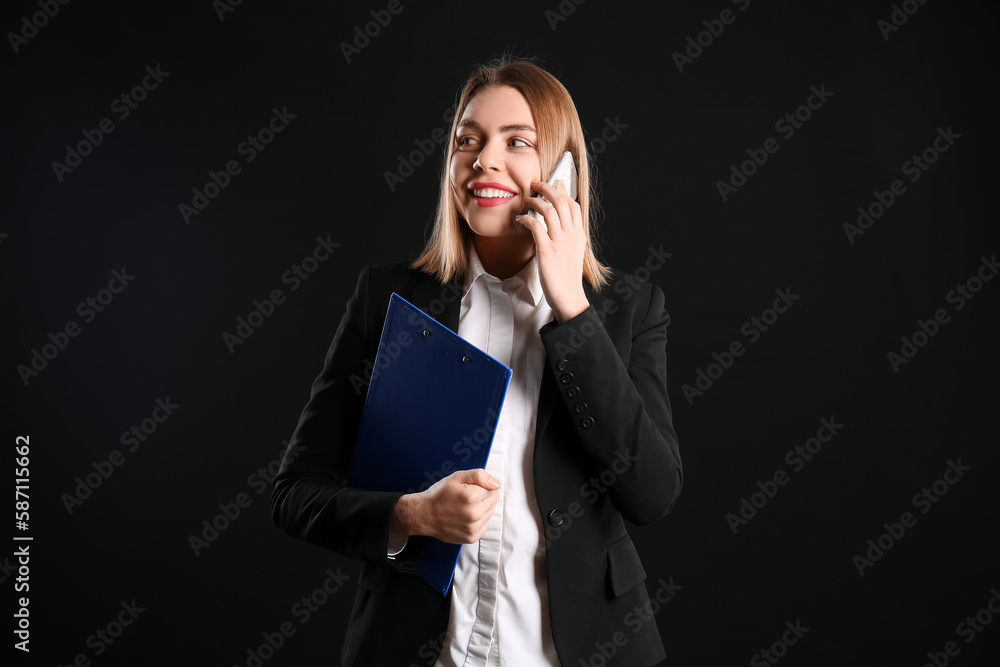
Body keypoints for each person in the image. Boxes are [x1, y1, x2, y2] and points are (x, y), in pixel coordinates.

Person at [271, 56, 682, 667]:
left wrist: (571, 306)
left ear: (563, 172)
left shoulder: (628, 311)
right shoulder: (386, 299)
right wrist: (412, 515)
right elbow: (294, 494)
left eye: (518, 141)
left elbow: (651, 492)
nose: (484, 159)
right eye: (468, 140)